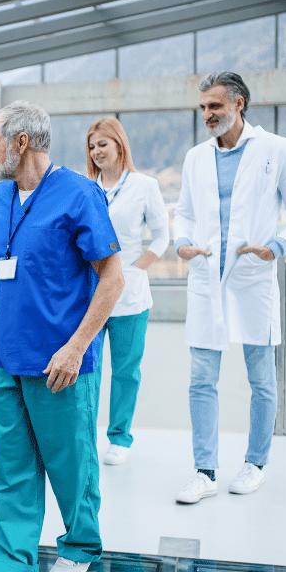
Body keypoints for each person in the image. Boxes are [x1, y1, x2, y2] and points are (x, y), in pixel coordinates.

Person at [0, 101, 124, 572]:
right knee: (11, 467)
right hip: (5, 359)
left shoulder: (80, 195)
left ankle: (80, 546)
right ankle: (13, 562)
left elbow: (112, 280)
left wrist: (78, 346)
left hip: (61, 362)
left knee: (71, 463)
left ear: (20, 142)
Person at [173, 72, 286, 503]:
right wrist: (181, 243)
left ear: (239, 104)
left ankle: (256, 463)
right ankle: (205, 471)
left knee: (261, 377)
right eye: (202, 108)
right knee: (201, 378)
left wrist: (277, 246)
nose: (207, 115)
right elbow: (183, 212)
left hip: (253, 277)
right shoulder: (196, 157)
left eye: (214, 106)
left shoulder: (277, 150)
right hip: (205, 277)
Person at [85, 117, 169, 466]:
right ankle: (83, 435)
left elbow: (162, 236)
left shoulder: (144, 186)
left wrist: (138, 268)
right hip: (89, 294)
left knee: (125, 371)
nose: (96, 151)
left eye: (102, 144)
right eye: (91, 146)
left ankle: (119, 437)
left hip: (130, 296)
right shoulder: (85, 187)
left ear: (120, 145)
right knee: (87, 368)